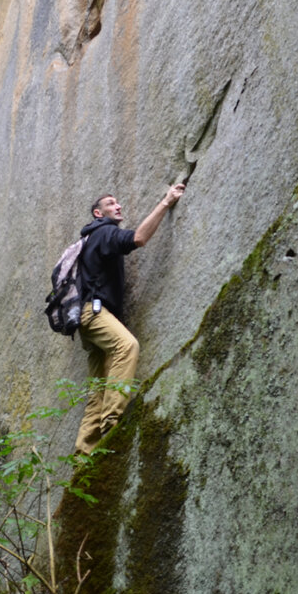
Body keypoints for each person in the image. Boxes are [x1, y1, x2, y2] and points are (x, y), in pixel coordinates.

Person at [74, 183, 186, 454]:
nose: (118, 206)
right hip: (96, 314)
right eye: (111, 203)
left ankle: (83, 457)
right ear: (98, 213)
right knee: (127, 346)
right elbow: (138, 238)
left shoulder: (88, 240)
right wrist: (166, 202)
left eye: (118, 202)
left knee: (98, 390)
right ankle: (112, 426)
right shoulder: (103, 232)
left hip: (88, 320)